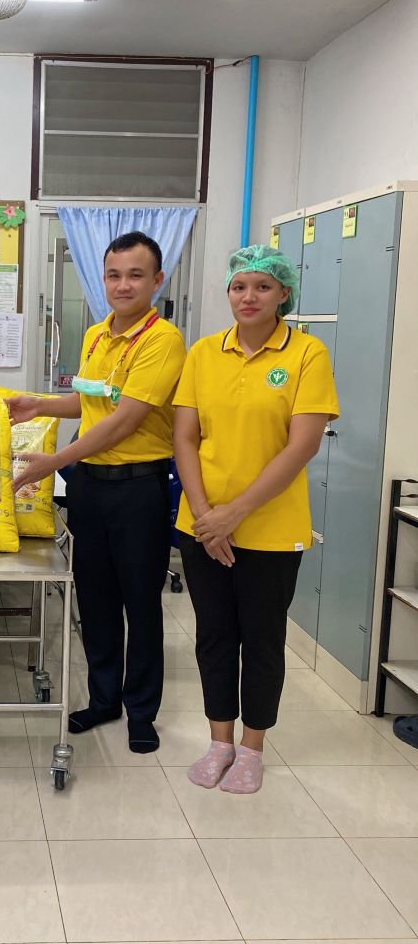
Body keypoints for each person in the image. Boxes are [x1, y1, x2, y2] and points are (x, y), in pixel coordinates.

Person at [8, 231, 186, 752]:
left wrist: (56, 461)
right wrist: (41, 405)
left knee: (141, 603)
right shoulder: (95, 335)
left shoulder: (162, 341)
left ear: (156, 280)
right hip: (90, 487)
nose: (123, 285)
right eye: (114, 275)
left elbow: (125, 420)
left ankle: (141, 713)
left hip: (138, 489)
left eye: (135, 275)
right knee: (96, 600)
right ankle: (104, 699)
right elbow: (92, 404)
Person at [173, 245, 339, 794]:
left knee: (262, 640)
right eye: (239, 286)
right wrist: (206, 516)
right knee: (214, 636)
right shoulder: (203, 353)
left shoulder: (307, 353)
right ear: (228, 292)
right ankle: (219, 741)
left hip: (271, 529)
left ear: (284, 293)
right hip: (201, 526)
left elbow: (302, 445)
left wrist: (234, 513)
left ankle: (251, 749)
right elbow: (185, 438)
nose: (249, 297)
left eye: (262, 287)